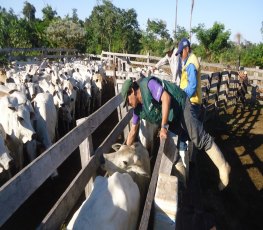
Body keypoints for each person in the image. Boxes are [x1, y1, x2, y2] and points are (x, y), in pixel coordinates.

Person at [121, 76, 230, 191]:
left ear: (132, 91)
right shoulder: (137, 110)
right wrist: (124, 150)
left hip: (180, 104)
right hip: (171, 117)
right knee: (173, 150)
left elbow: (166, 98)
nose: (128, 104)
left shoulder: (148, 85)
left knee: (197, 136)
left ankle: (223, 166)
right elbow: (133, 131)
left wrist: (163, 127)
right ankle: (182, 182)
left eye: (127, 101)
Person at [175, 38, 202, 171]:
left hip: (191, 103)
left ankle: (185, 168)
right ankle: (189, 163)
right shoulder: (189, 62)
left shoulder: (191, 63)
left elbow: (192, 87)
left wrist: (180, 95)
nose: (181, 55)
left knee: (184, 134)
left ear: (187, 49)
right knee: (188, 134)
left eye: (181, 52)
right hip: (192, 103)